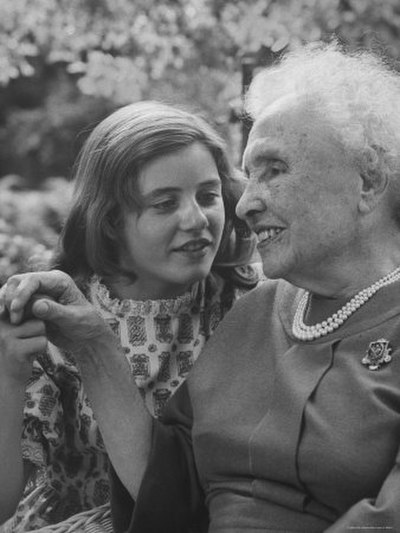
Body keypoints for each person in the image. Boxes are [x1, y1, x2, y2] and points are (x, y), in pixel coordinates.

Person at [0, 101, 259, 530]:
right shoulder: (57, 318)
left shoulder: (248, 302)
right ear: (110, 221)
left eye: (208, 196)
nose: (196, 219)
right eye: (163, 203)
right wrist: (8, 375)